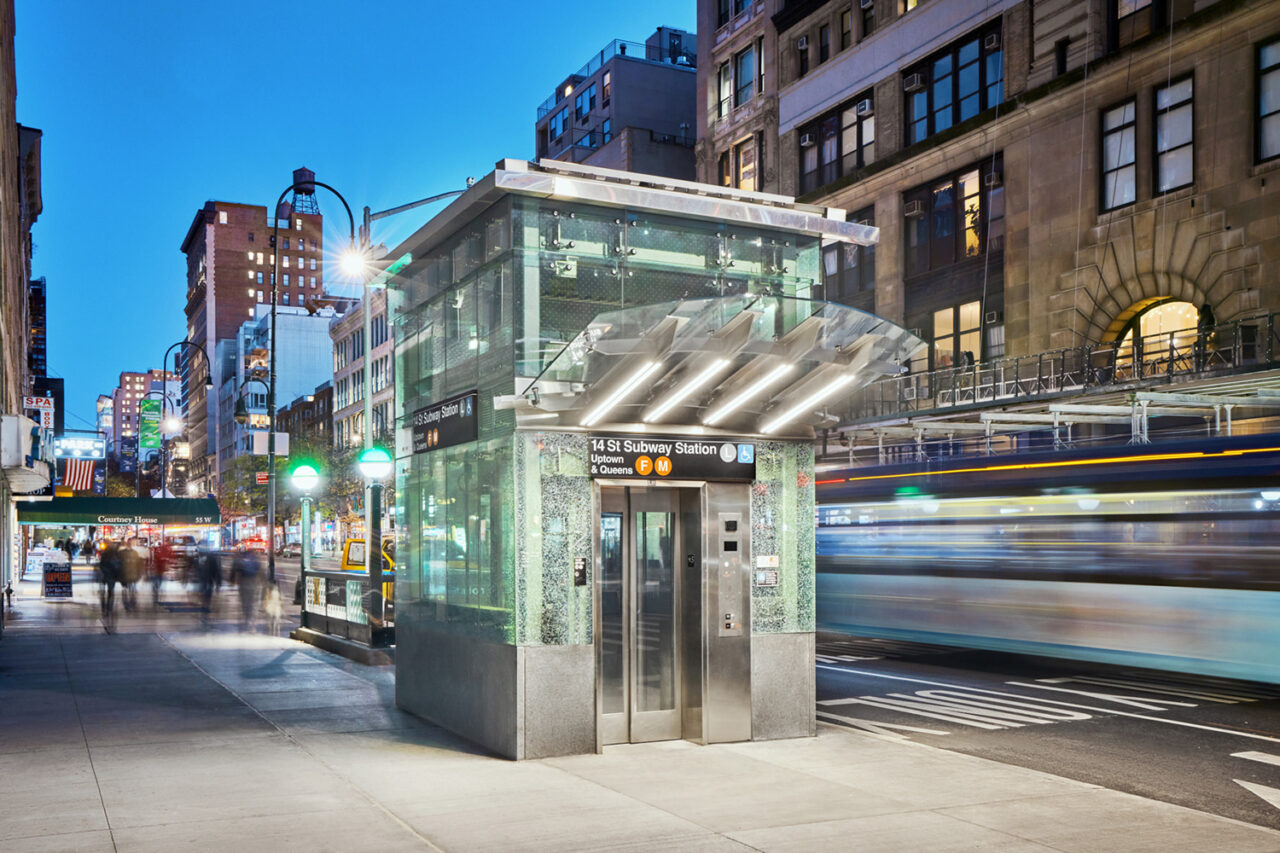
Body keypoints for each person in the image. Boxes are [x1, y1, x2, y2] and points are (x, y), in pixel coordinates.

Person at [231, 547, 264, 631]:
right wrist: (263, 581)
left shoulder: (241, 559)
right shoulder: (255, 559)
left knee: (244, 602)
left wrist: (232, 580)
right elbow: (261, 571)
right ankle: (251, 620)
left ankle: (246, 618)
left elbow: (235, 570)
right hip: (253, 583)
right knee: (252, 602)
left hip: (243, 583)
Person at [98, 541, 123, 633]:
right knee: (110, 593)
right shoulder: (116, 554)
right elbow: (119, 566)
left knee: (104, 593)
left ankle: (105, 607)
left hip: (106, 576)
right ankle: (109, 607)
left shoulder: (104, 554)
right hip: (111, 577)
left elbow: (101, 564)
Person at [195, 547, 222, 629]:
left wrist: (218, 583)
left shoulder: (208, 559)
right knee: (205, 598)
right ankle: (204, 614)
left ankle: (204, 614)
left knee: (206, 599)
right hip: (205, 582)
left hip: (207, 582)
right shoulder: (199, 559)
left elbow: (216, 571)